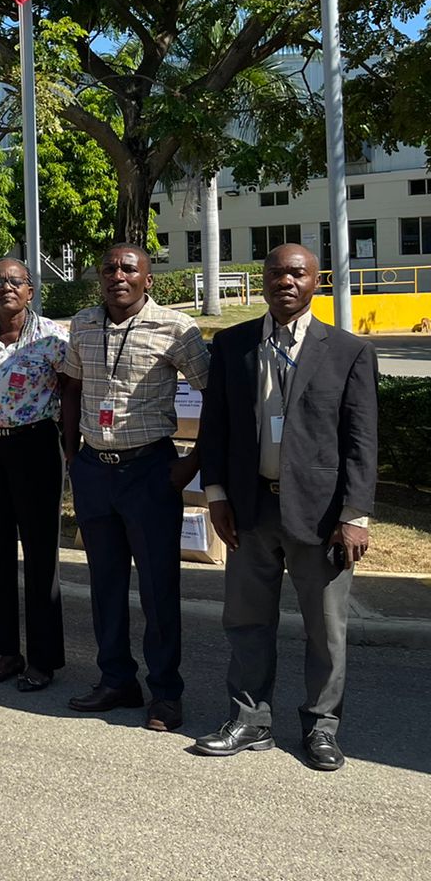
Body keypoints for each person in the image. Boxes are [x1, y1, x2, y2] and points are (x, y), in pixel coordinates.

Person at [192, 244, 377, 771]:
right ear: (265, 280)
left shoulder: (347, 351)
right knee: (246, 621)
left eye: (297, 273)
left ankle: (322, 727)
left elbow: (362, 440)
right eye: (275, 272)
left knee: (325, 628)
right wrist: (218, 495)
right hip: (250, 510)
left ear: (315, 281)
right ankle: (250, 720)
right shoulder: (232, 345)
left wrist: (354, 516)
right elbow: (217, 429)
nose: (285, 281)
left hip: (322, 518)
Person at [60, 243, 208, 733]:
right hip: (93, 471)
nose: (117, 275)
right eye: (109, 268)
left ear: (149, 279)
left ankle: (165, 693)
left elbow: (217, 396)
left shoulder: (177, 328)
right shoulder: (81, 324)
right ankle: (116, 679)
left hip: (150, 472)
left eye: (129, 268)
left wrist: (193, 464)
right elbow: (71, 391)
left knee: (158, 588)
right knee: (104, 585)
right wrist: (71, 457)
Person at [0, 258, 70, 693]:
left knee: (41, 553)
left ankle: (44, 659)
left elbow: (72, 392)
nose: (5, 287)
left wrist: (74, 451)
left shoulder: (53, 337)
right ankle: (6, 651)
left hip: (35, 446)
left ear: (30, 290)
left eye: (15, 281)